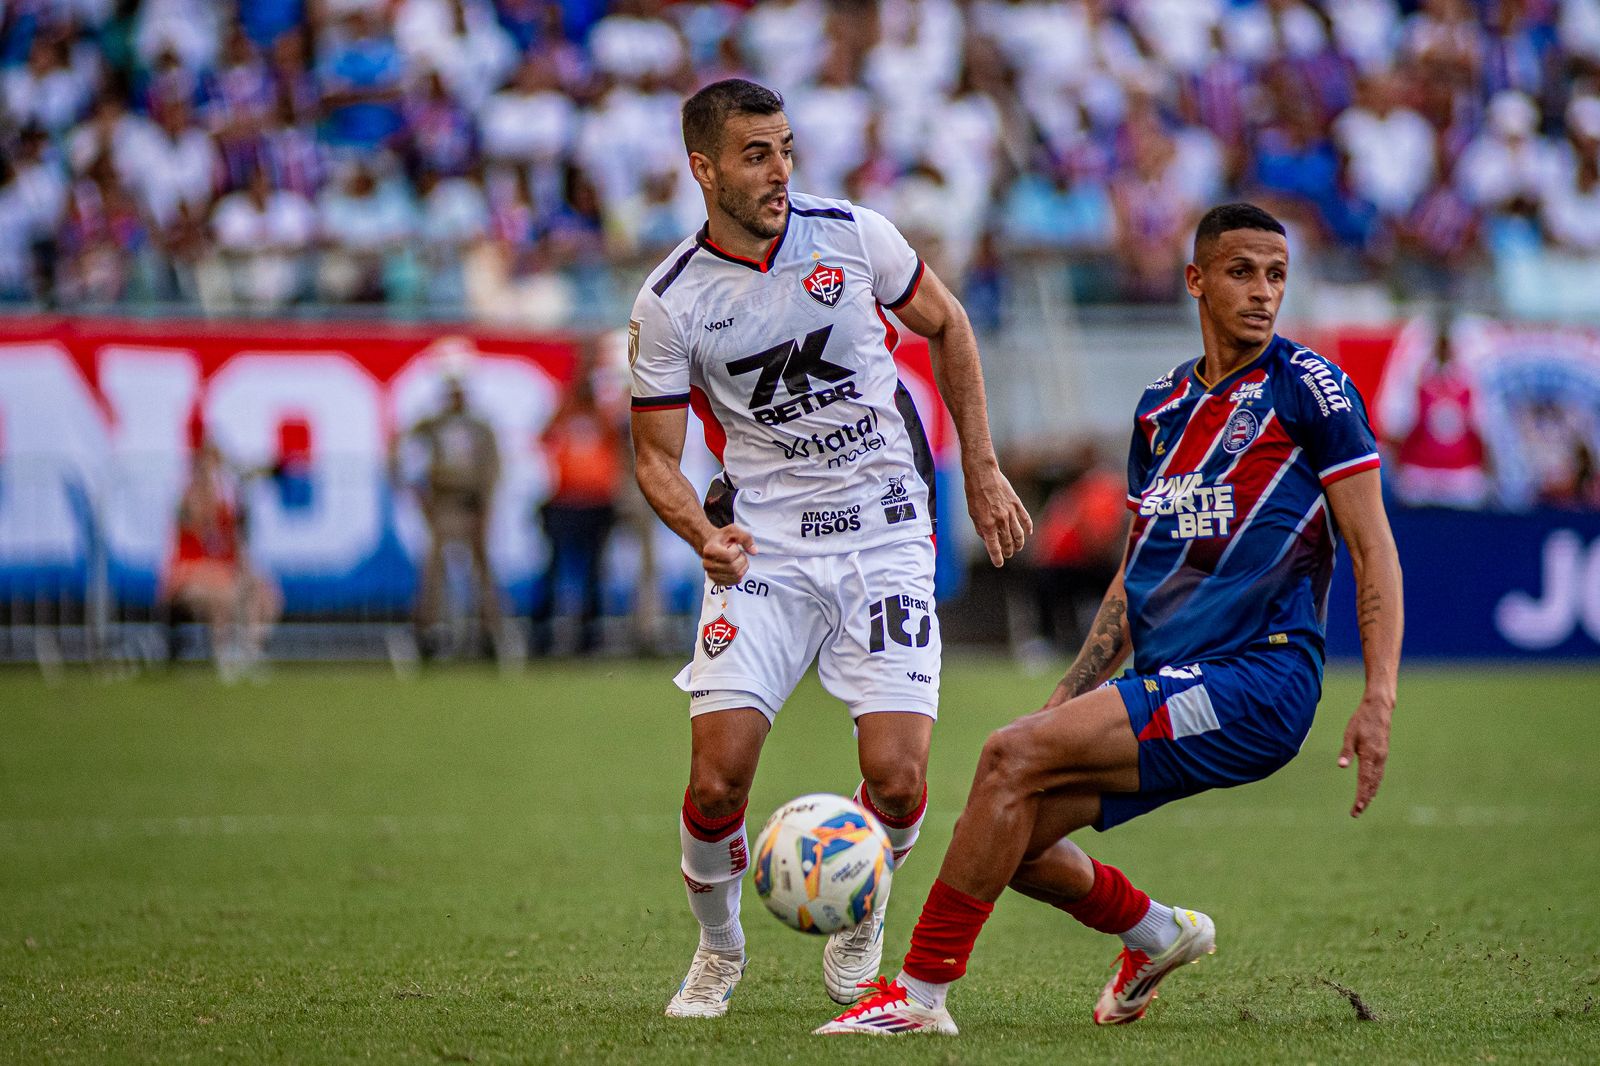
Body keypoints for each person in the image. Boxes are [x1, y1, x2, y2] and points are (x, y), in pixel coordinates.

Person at [818, 202, 1404, 1035]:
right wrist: (1069, 693)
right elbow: (1139, 577)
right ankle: (1156, 932)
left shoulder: (1308, 390)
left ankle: (918, 994)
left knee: (1006, 757)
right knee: (1009, 822)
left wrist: (1378, 695)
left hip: (1260, 679)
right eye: (1242, 272)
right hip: (1175, 678)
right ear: (1195, 280)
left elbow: (1373, 549)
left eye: (1277, 275)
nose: (1263, 292)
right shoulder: (1161, 409)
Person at [628, 78, 1032, 1019]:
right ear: (703, 170)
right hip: (763, 551)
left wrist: (980, 468)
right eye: (755, 155)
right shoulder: (670, 301)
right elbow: (653, 459)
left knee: (899, 777)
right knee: (715, 782)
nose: (780, 171)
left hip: (885, 530)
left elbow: (949, 324)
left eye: (785, 149)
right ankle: (719, 949)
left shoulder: (853, 235)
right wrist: (704, 536)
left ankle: (862, 915)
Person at [394, 375, 504, 658]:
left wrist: (486, 503)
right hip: (443, 503)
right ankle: (428, 629)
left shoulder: (480, 429)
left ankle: (489, 631)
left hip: (472, 503)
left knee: (481, 569)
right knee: (434, 567)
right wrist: (417, 493)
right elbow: (402, 453)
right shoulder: (431, 427)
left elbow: (492, 468)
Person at [163, 439, 281, 679]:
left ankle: (251, 651)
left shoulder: (226, 509)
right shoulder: (189, 500)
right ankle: (225, 656)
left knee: (265, 595)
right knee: (225, 595)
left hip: (223, 575)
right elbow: (195, 523)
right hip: (188, 577)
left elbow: (236, 550)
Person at [531, 364, 625, 655]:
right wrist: (566, 406)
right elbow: (543, 438)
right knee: (554, 567)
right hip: (565, 501)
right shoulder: (566, 415)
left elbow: (618, 442)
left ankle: (589, 634)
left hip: (596, 502)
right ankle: (543, 632)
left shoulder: (601, 418)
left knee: (594, 570)